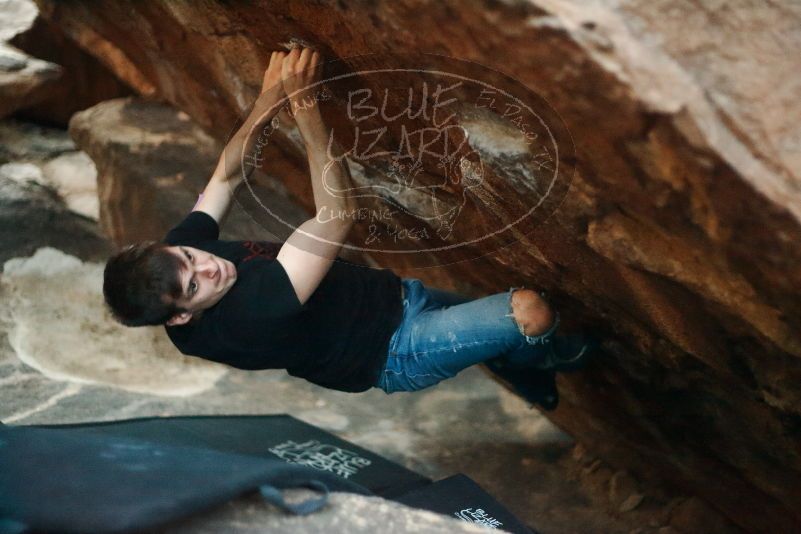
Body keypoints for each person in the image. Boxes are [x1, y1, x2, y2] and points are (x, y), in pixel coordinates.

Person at [102, 49, 594, 410]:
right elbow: (336, 216)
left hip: (392, 295)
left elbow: (226, 177)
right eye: (194, 285)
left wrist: (269, 100)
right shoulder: (250, 316)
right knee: (530, 312)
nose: (208, 265)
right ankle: (536, 364)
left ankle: (510, 359)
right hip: (397, 350)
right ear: (181, 318)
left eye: (191, 257)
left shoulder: (179, 258)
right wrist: (306, 108)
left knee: (498, 336)